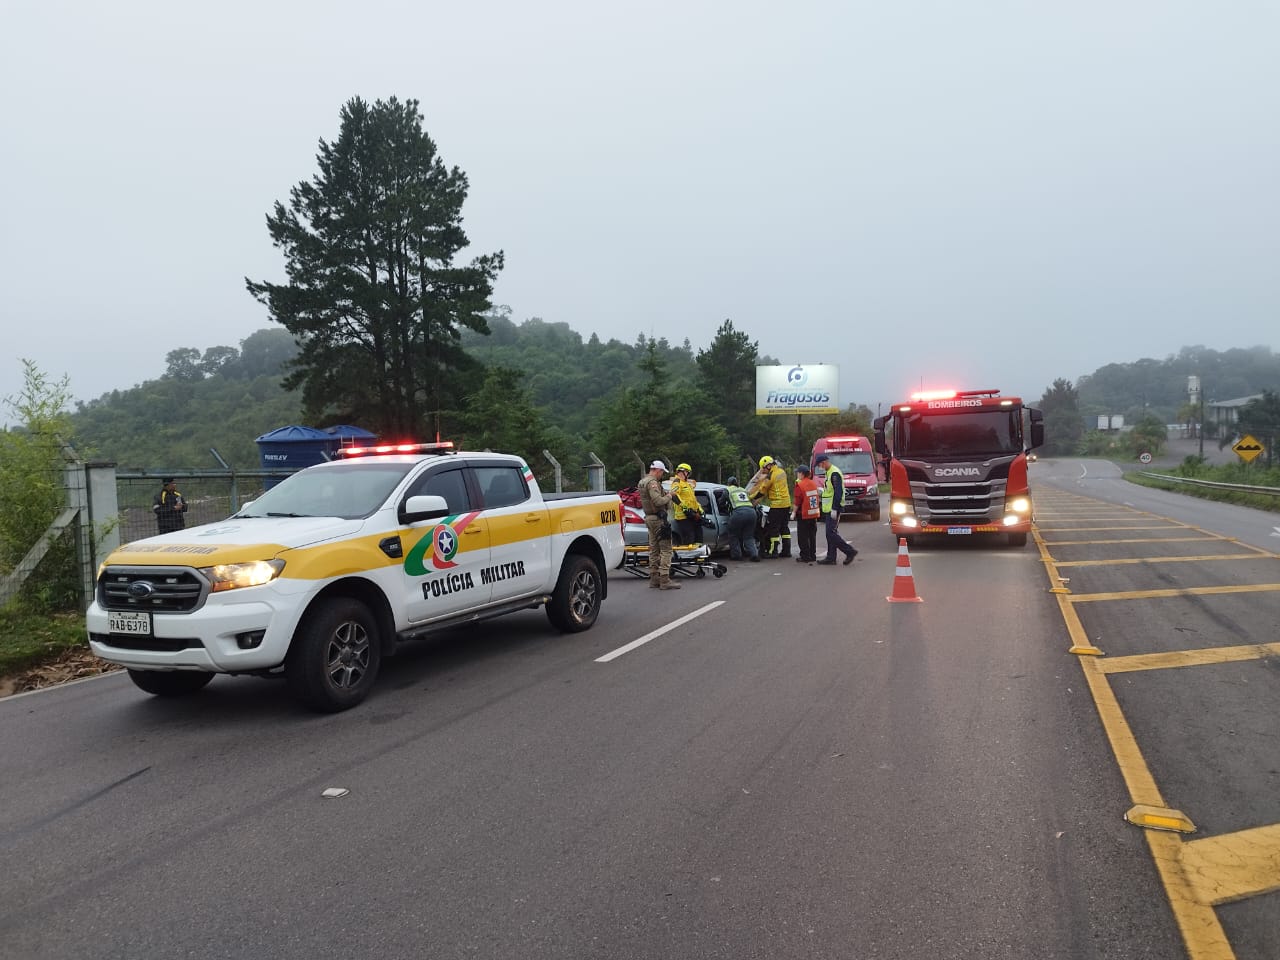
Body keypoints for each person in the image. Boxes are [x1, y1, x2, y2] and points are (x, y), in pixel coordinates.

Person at [637, 460, 681, 590]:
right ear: (658, 470)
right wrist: (669, 496)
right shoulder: (652, 483)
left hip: (649, 518)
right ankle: (664, 579)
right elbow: (658, 501)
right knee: (666, 549)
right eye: (662, 472)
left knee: (654, 550)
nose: (662, 475)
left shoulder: (642, 481)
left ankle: (654, 579)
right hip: (658, 519)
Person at [814, 453, 857, 566]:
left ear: (824, 462)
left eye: (820, 465)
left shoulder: (834, 473)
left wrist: (834, 508)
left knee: (830, 533)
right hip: (829, 509)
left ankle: (849, 551)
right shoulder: (829, 472)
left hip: (834, 508)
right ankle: (831, 557)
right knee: (831, 533)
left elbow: (838, 492)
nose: (820, 467)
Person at [748, 455, 792, 558]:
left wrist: (750, 496)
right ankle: (787, 550)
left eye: (763, 468)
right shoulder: (782, 472)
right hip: (786, 504)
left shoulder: (770, 476)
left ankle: (773, 552)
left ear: (767, 466)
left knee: (774, 529)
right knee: (784, 528)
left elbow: (762, 491)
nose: (763, 470)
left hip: (777, 505)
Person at [723, 476, 760, 562]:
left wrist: (726, 508)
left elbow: (721, 502)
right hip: (751, 513)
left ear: (729, 483)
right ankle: (754, 554)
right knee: (749, 536)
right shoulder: (743, 490)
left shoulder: (728, 489)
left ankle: (736, 555)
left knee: (733, 535)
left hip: (739, 513)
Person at [792, 463, 821, 564]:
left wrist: (793, 513)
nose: (797, 475)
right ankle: (812, 555)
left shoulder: (800, 485)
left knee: (803, 537)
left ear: (801, 474)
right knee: (812, 536)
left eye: (798, 473)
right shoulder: (813, 483)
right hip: (813, 514)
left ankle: (805, 556)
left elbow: (797, 501)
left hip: (803, 514)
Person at [669, 463, 702, 545]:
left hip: (692, 514)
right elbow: (674, 496)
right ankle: (688, 557)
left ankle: (697, 555)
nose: (688, 475)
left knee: (698, 538)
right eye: (687, 472)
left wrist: (699, 510)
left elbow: (692, 499)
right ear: (683, 472)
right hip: (683, 516)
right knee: (689, 539)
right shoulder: (677, 482)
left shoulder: (687, 484)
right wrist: (685, 509)